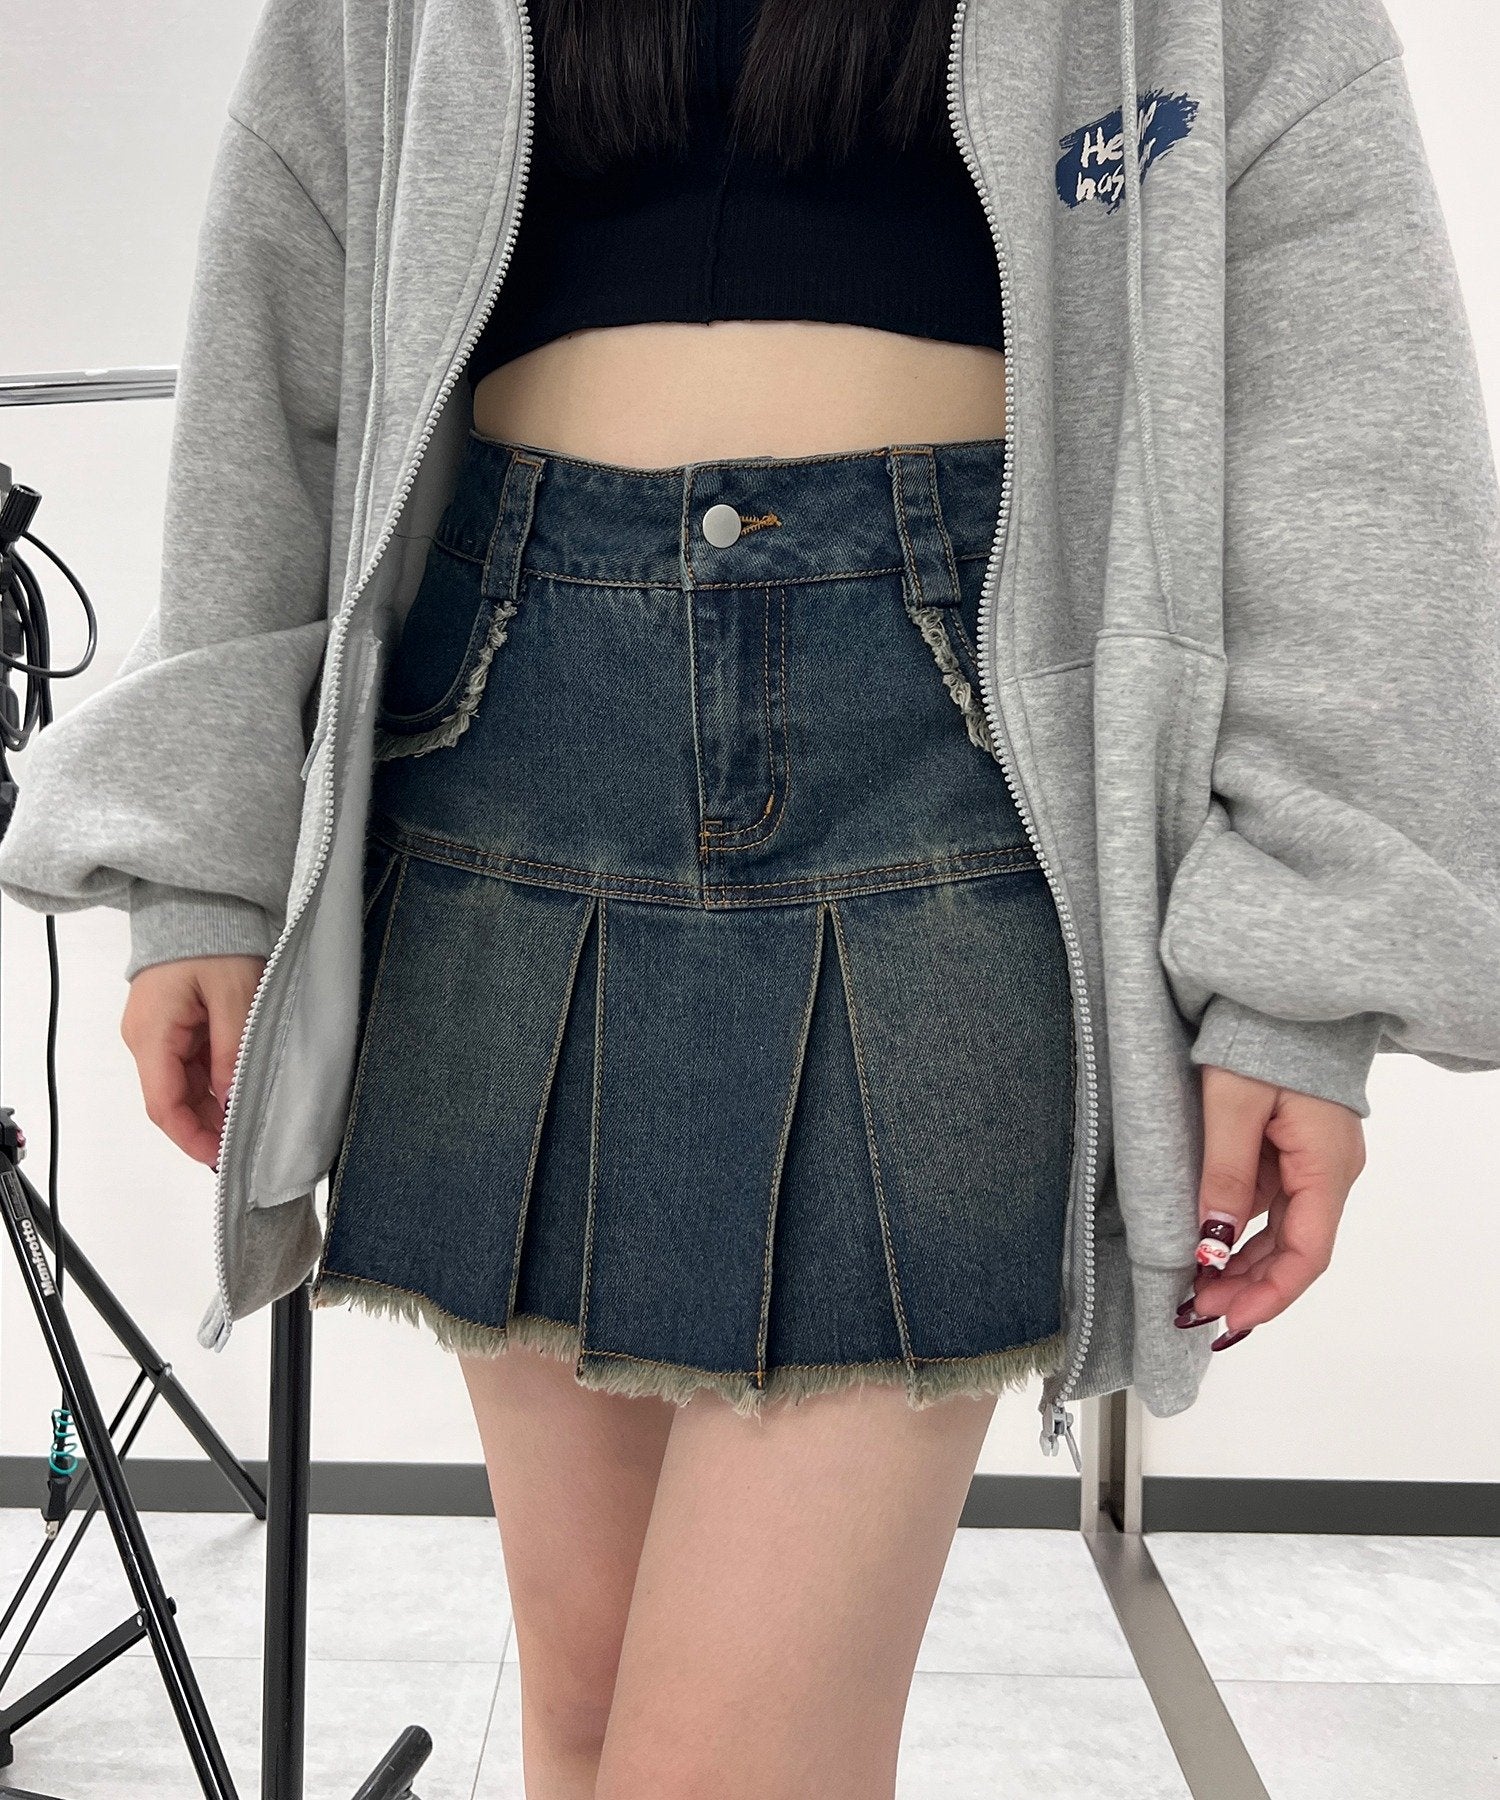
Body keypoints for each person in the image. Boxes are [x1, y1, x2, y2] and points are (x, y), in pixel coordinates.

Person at [1, 1, 1497, 1794]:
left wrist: (1304, 968)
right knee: (587, 1713)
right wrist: (207, 859)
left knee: (717, 1763)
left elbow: (1343, 396)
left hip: (948, 759)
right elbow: (286, 307)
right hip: (498, 736)